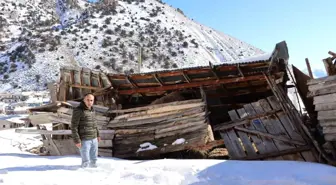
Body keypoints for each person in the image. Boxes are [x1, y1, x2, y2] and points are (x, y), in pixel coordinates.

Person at [71, 93, 101, 168]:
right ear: (84, 100)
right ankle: (84, 176)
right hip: (84, 139)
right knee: (86, 162)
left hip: (94, 139)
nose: (89, 102)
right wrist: (77, 140)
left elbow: (95, 124)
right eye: (88, 100)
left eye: (91, 100)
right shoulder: (78, 110)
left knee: (94, 160)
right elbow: (74, 126)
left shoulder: (92, 110)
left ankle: (94, 176)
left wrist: (98, 135)